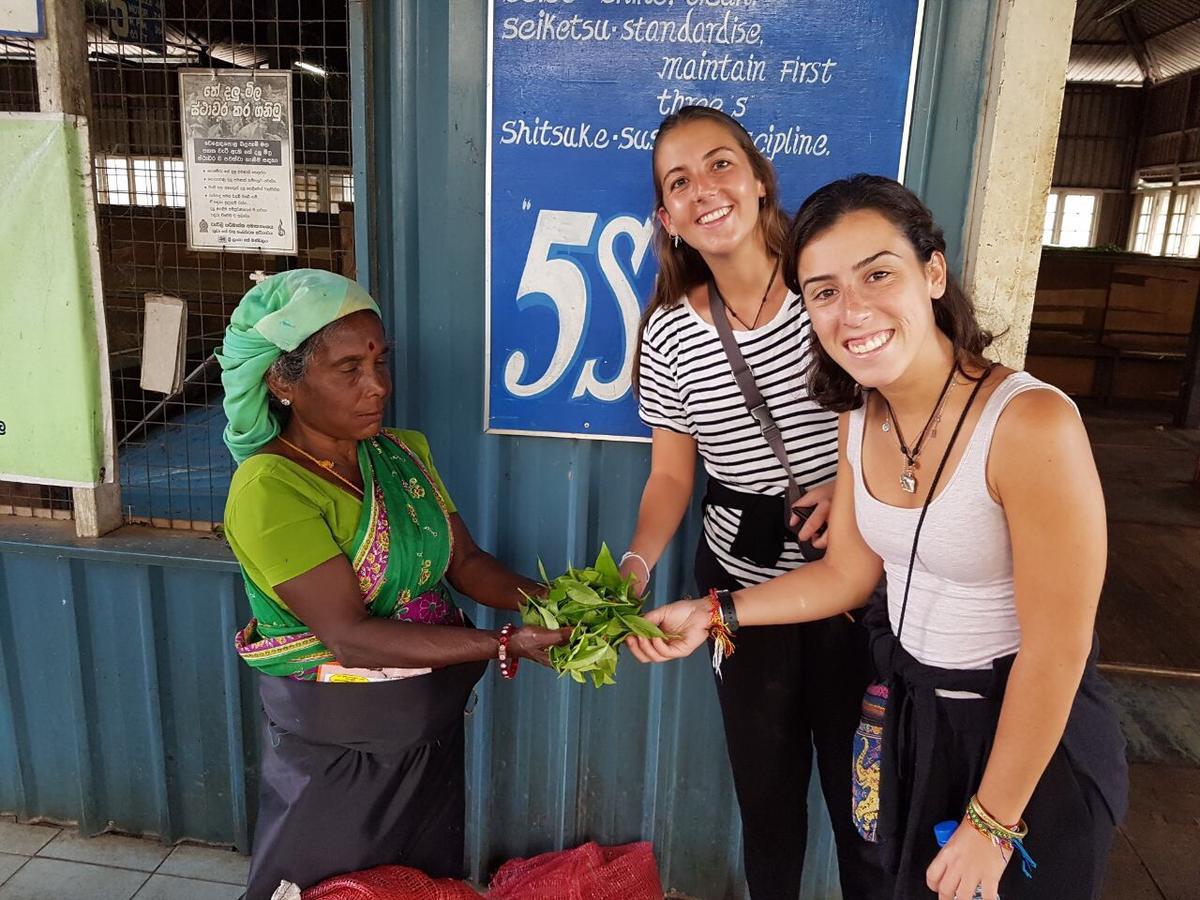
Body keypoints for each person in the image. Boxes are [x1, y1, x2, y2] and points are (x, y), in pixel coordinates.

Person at [627, 175, 1129, 900]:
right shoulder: (862, 416)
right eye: (823, 291)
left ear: (932, 272)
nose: (851, 309)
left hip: (1025, 742)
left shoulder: (1031, 425)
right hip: (915, 723)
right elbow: (847, 577)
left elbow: (1058, 649)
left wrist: (992, 825)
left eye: (878, 274)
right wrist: (713, 614)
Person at [216, 269, 567, 899]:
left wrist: (560, 603)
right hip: (340, 757)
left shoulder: (400, 454)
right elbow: (350, 638)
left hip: (426, 740)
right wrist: (504, 644)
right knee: (334, 886)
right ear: (281, 382)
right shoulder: (270, 488)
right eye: (347, 368)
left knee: (421, 884)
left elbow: (466, 563)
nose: (376, 386)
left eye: (379, 360)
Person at [622, 106, 887, 899]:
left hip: (855, 588)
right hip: (739, 592)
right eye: (679, 182)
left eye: (720, 165)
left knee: (864, 810)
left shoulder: (827, 291)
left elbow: (901, 408)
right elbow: (672, 476)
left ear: (760, 177)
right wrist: (636, 565)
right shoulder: (668, 332)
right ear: (666, 219)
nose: (704, 190)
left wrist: (848, 486)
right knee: (767, 807)